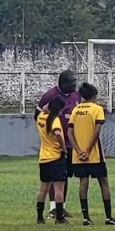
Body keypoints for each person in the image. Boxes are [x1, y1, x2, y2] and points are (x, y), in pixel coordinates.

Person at [67, 83, 115, 226]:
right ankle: (108, 217)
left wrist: (77, 150)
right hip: (94, 154)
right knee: (103, 182)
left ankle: (86, 217)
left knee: (83, 183)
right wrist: (88, 150)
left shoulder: (75, 110)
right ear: (94, 96)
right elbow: (97, 131)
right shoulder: (97, 109)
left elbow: (69, 132)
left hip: (78, 156)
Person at [35, 69, 80, 218]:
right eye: (72, 82)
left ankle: (61, 208)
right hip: (57, 147)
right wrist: (50, 137)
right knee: (56, 180)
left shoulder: (76, 95)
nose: (75, 84)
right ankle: (54, 209)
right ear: (63, 83)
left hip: (70, 143)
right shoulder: (49, 96)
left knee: (62, 177)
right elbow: (38, 116)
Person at [35, 96, 69, 225]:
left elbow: (43, 108)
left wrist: (47, 106)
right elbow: (58, 134)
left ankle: (39, 217)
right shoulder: (54, 120)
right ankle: (59, 217)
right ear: (59, 109)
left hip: (44, 157)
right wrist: (63, 148)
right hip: (55, 156)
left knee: (43, 188)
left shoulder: (41, 117)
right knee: (59, 188)